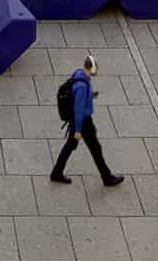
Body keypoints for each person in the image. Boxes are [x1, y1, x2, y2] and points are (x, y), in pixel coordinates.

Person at [50, 55, 123, 187]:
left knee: (70, 146)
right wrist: (78, 130)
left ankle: (56, 172)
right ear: (92, 68)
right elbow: (78, 109)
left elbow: (76, 96)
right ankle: (107, 178)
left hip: (78, 121)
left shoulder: (79, 74)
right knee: (95, 148)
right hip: (83, 122)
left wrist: (90, 96)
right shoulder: (82, 86)